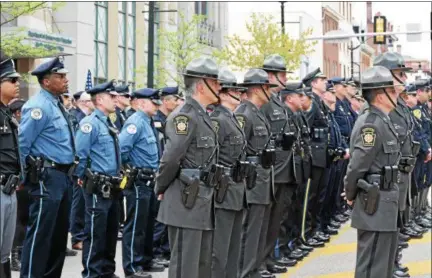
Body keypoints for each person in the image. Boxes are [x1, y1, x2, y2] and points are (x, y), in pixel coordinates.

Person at [155, 57, 220, 278]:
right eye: (215, 81)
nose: (220, 87)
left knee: (201, 265)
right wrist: (160, 187)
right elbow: (171, 159)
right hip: (186, 201)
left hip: (200, 200)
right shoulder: (185, 116)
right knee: (185, 266)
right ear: (202, 86)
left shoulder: (202, 115)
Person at [18, 56, 76, 278]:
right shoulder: (38, 107)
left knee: (58, 236)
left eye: (65, 76)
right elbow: (23, 144)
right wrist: (24, 179)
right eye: (60, 76)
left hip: (62, 177)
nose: (65, 80)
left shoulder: (56, 104)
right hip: (46, 177)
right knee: (41, 235)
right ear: (46, 82)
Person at [344, 65, 402, 278]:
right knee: (371, 268)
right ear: (381, 95)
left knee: (383, 265)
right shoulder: (372, 125)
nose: (397, 94)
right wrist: (350, 194)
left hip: (385, 202)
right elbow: (357, 166)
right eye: (393, 90)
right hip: (374, 203)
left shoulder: (383, 120)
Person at [74, 80, 122, 278]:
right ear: (100, 100)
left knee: (111, 232)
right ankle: (92, 273)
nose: (116, 99)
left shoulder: (108, 122)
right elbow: (80, 155)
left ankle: (107, 271)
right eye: (112, 96)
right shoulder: (89, 124)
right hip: (98, 186)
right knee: (95, 233)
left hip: (113, 185)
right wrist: (81, 177)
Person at [234, 68, 276, 278]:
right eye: (268, 87)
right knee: (248, 232)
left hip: (263, 179)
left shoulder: (258, 113)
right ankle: (245, 273)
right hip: (251, 182)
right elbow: (237, 150)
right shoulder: (244, 113)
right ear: (257, 89)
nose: (271, 92)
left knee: (258, 231)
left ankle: (254, 269)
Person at [119, 88, 164, 278]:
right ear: (143, 103)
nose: (157, 107)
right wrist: (130, 170)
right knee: (136, 225)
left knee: (147, 224)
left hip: (150, 180)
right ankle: (132, 266)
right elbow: (121, 150)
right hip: (138, 180)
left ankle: (145, 260)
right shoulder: (135, 123)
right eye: (154, 103)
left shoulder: (148, 122)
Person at [260, 54, 298, 274]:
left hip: (284, 170)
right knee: (264, 222)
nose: (284, 78)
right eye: (281, 74)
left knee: (275, 221)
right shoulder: (265, 103)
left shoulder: (277, 101)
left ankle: (268, 259)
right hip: (272, 170)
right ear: (270, 76)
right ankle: (260, 263)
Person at [209, 68, 247, 278]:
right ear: (222, 93)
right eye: (234, 90)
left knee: (233, 247)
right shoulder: (217, 120)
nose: (239, 95)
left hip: (236, 189)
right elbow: (212, 158)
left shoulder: (231, 118)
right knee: (220, 249)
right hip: (223, 190)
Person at [277, 82, 311, 261]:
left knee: (293, 209)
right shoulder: (284, 115)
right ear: (289, 97)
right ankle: (282, 249)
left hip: (297, 167)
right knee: (283, 214)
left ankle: (291, 244)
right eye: (299, 95)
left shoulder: (295, 115)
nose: (302, 99)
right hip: (286, 170)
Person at [301, 68, 332, 246]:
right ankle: (307, 233)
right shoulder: (310, 101)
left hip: (322, 155)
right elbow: (307, 125)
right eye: (321, 80)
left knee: (319, 196)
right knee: (310, 198)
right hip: (313, 156)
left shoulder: (319, 101)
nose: (325, 82)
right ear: (313, 83)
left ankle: (315, 228)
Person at [152, 86, 181, 266]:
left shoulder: (171, 118)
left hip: (169, 171)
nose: (177, 103)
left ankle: (163, 249)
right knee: (159, 217)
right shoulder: (157, 120)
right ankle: (155, 251)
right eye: (174, 100)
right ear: (166, 101)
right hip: (161, 169)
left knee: (166, 216)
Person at [0, 54, 22, 278]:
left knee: (4, 254)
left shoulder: (7, 113)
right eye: (11, 81)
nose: (17, 84)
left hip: (10, 188)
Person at [69, 91, 94, 251]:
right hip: (79, 168)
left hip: (86, 168)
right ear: (85, 102)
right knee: (78, 203)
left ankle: (81, 235)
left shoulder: (85, 118)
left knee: (83, 203)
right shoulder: (78, 118)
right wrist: (79, 171)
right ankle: (77, 237)